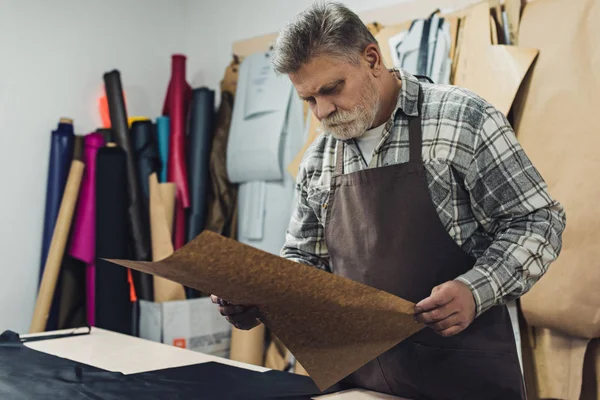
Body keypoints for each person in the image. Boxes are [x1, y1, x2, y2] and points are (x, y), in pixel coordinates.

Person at [211, 2, 566, 399]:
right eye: (309, 99)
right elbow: (305, 259)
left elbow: (538, 221)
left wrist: (475, 289)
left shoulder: (462, 118)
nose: (322, 111)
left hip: (460, 375)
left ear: (372, 59)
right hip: (359, 381)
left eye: (331, 89)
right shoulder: (319, 157)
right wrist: (261, 295)